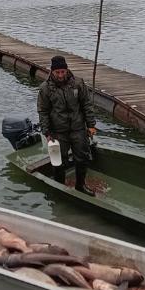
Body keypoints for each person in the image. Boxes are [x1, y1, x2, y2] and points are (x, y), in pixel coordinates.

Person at [37, 55, 98, 196]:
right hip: (58, 131)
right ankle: (59, 187)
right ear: (52, 72)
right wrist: (46, 132)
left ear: (67, 70)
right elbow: (43, 111)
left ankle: (80, 185)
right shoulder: (45, 89)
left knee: (82, 158)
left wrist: (91, 125)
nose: (60, 75)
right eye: (57, 72)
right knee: (59, 162)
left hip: (78, 129)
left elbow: (86, 105)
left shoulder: (78, 83)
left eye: (63, 72)